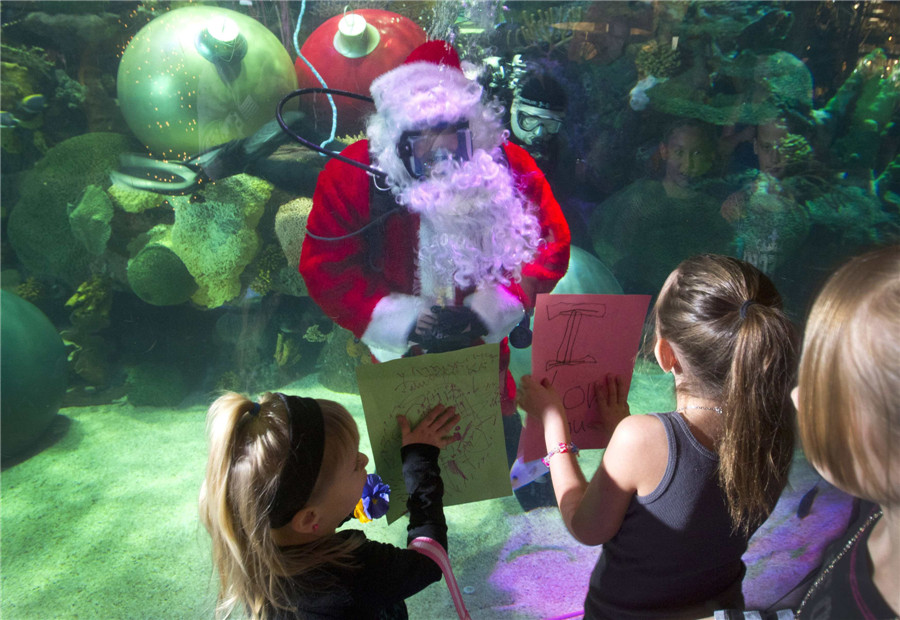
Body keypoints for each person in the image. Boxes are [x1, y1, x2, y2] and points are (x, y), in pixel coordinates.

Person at [518, 253, 798, 618]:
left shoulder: (641, 439)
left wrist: (553, 421)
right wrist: (625, 427)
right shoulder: (777, 427)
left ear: (664, 353)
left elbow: (586, 527)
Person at [198, 390, 461, 619]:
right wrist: (420, 459)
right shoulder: (356, 574)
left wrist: (350, 505)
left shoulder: (256, 559)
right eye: (354, 465)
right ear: (310, 518)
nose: (365, 458)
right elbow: (429, 560)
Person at [589, 120, 733, 297]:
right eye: (678, 152)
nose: (687, 163)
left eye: (696, 153)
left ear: (710, 156)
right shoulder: (640, 197)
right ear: (664, 151)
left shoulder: (713, 209)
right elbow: (607, 246)